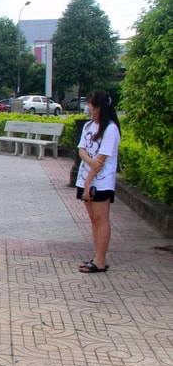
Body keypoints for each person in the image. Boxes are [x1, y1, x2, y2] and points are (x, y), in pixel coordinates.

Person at [76, 89, 121, 274]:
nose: (88, 108)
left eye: (91, 104)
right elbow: (81, 150)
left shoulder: (110, 129)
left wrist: (89, 181)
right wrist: (89, 164)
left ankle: (101, 260)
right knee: (93, 219)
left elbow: (101, 161)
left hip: (100, 182)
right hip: (85, 177)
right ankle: (97, 256)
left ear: (99, 107)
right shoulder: (88, 127)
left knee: (101, 219)